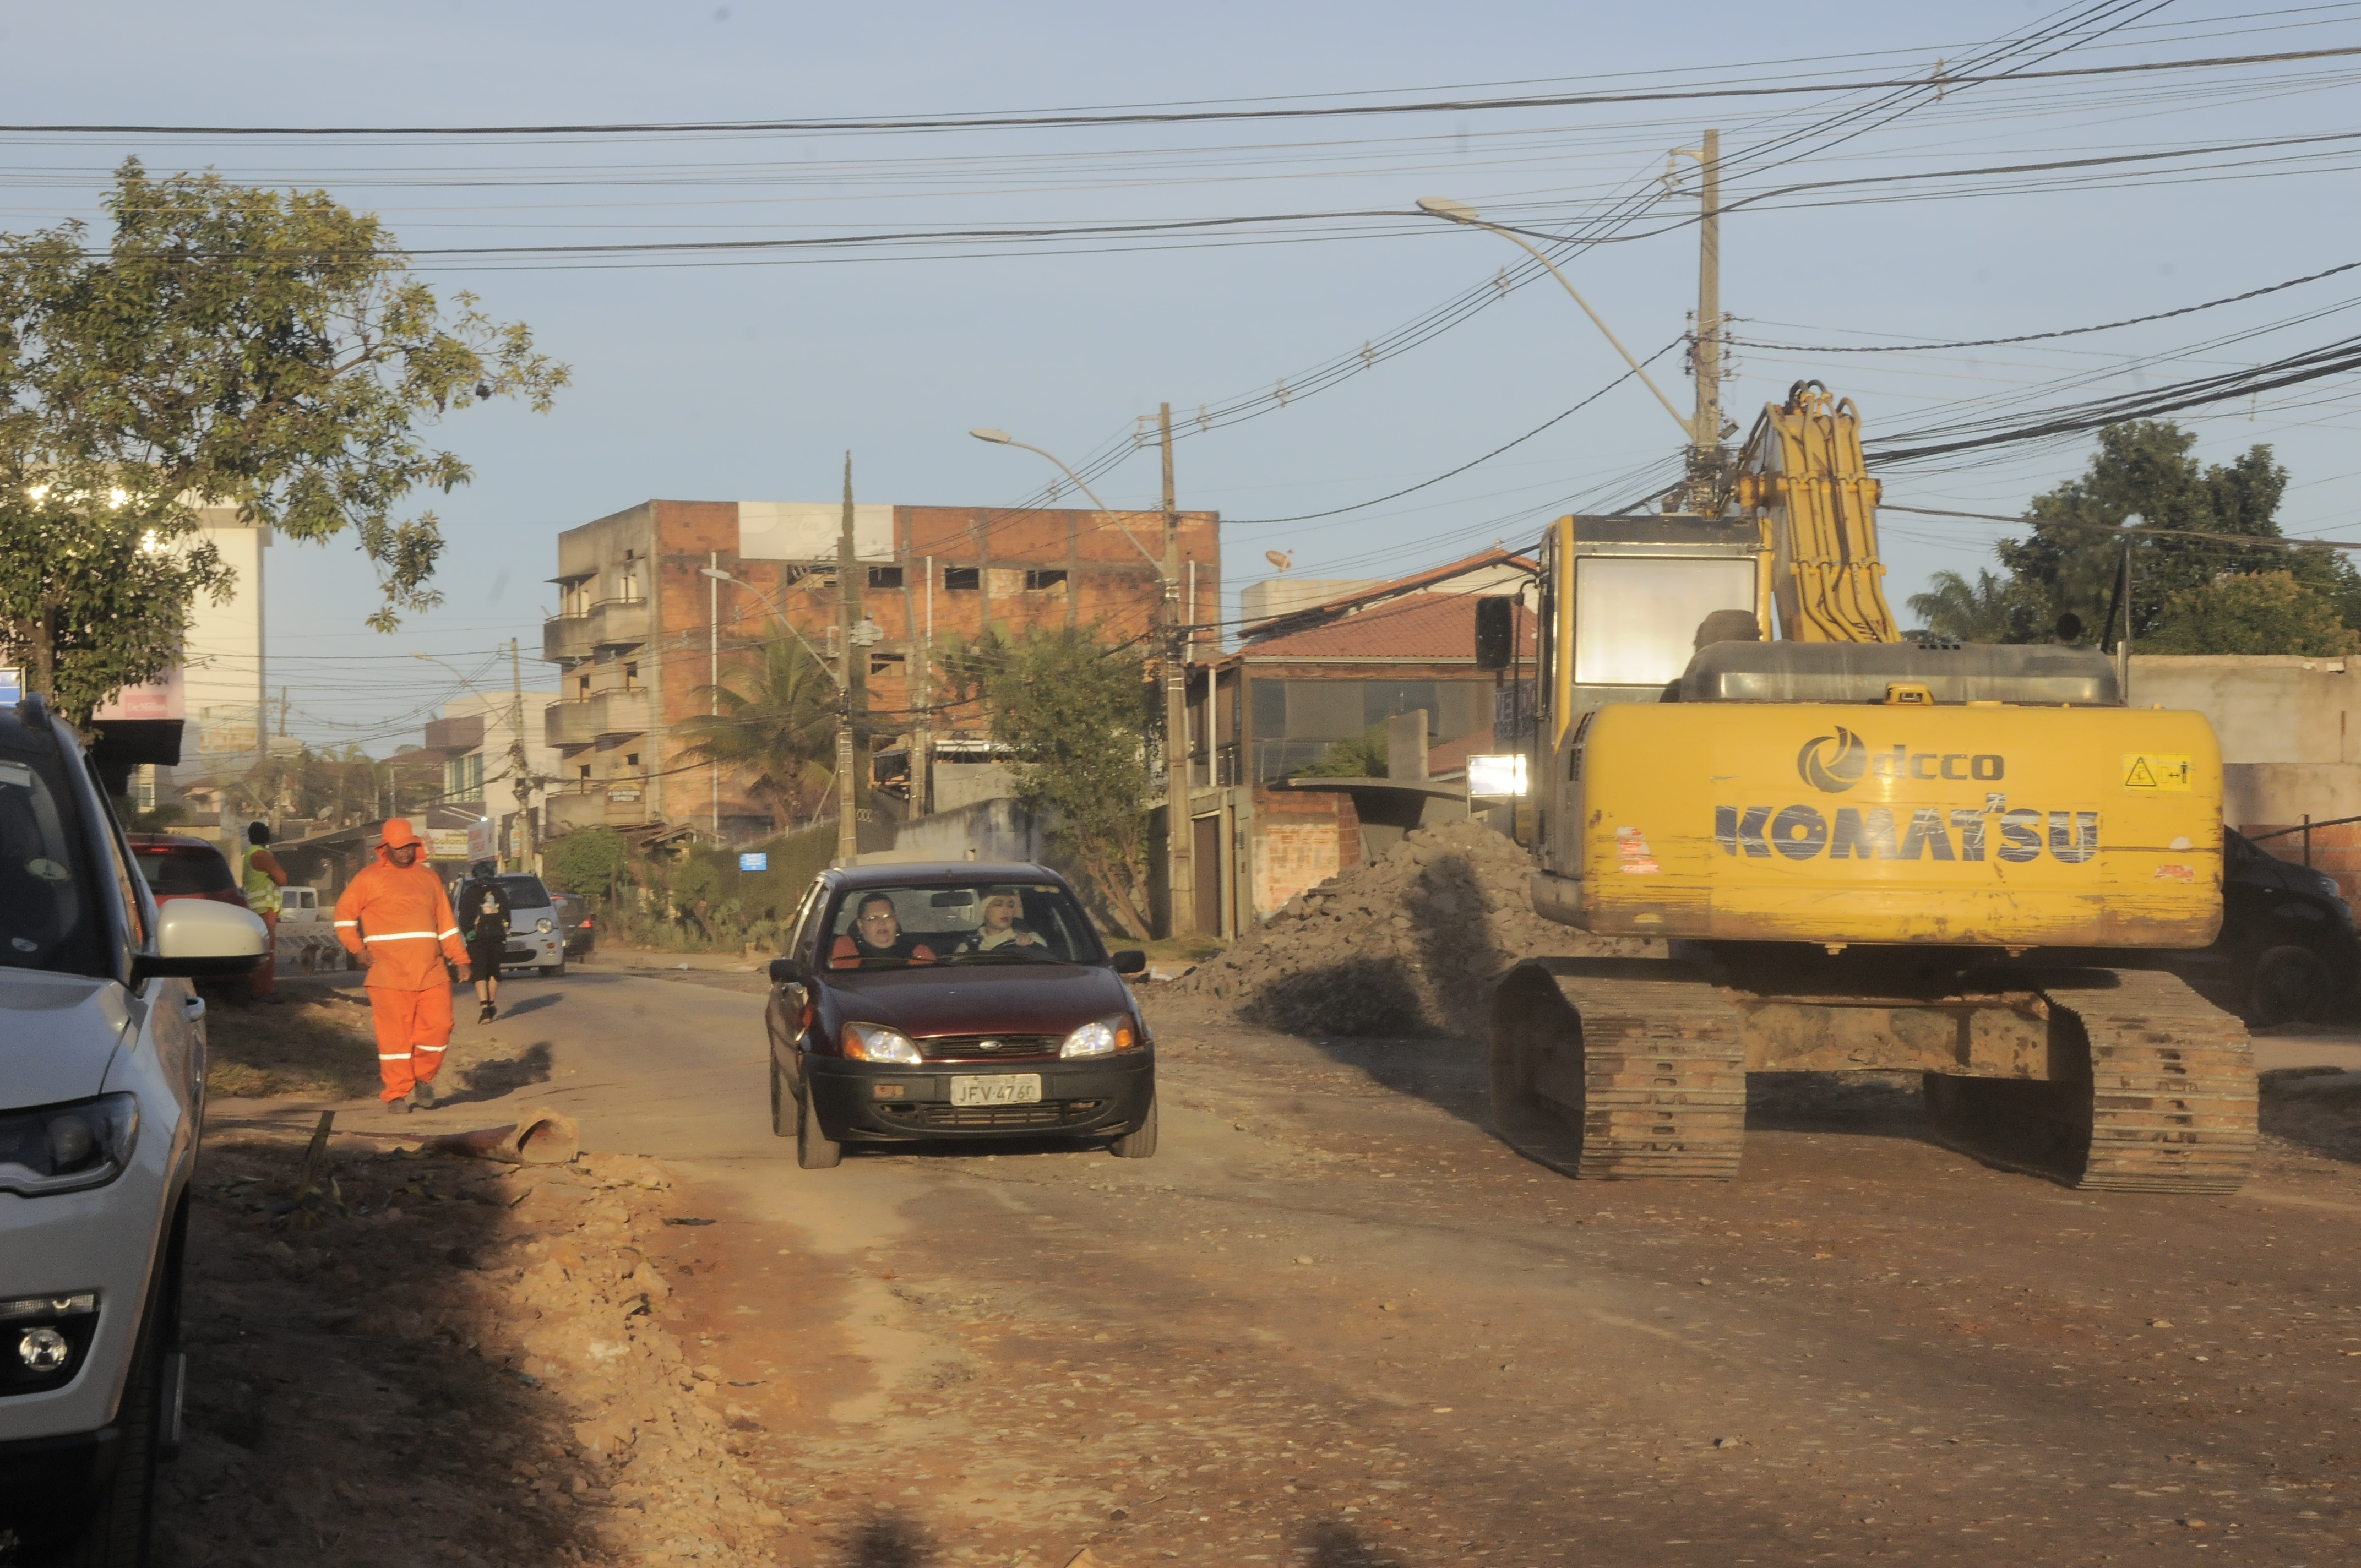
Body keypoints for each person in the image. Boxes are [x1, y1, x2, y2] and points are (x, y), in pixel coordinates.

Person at [334, 819, 470, 1113]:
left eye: (410, 845)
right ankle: (397, 1093)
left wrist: (460, 958)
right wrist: (358, 949)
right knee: (394, 1038)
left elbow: (446, 924)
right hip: (388, 974)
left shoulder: (429, 878)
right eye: (399, 847)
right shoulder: (368, 879)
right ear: (385, 849)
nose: (406, 852)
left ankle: (424, 1078)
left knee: (440, 1027)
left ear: (416, 845)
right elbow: (343, 917)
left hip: (432, 971)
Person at [459, 860, 514, 1023]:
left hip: (477, 939)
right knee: (494, 972)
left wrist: (469, 932)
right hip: (497, 938)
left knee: (480, 972)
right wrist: (505, 930)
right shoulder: (500, 892)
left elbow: (464, 918)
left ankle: (485, 1009)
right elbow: (507, 916)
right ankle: (491, 1004)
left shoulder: (469, 893)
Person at [241, 821, 289, 1004]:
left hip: (254, 908)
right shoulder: (262, 855)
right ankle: (264, 990)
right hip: (265, 909)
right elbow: (282, 878)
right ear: (266, 837)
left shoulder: (249, 854)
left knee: (258, 950)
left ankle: (257, 988)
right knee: (267, 952)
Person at [828, 892, 938, 968]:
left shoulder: (919, 954)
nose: (882, 923)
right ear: (860, 924)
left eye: (887, 917)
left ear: (896, 920)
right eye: (873, 918)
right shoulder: (846, 948)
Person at [958, 889, 1045, 954]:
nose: (1006, 911)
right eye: (999, 905)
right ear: (985, 910)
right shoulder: (968, 946)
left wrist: (1027, 946)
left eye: (1010, 906)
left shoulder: (1029, 938)